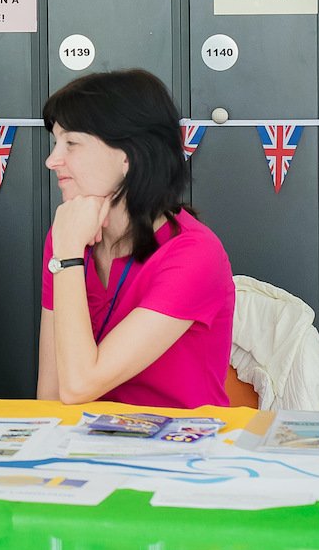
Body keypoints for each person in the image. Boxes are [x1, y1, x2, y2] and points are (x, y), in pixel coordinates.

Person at [37, 69, 235, 408]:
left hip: (181, 439)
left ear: (127, 156)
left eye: (71, 143)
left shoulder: (195, 253)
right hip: (87, 438)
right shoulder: (68, 234)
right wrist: (67, 249)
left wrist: (67, 256)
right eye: (56, 143)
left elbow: (77, 387)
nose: (52, 161)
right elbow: (51, 395)